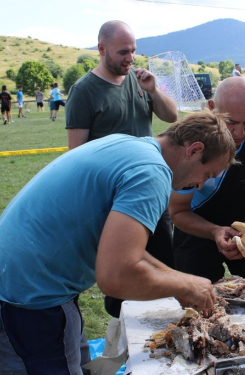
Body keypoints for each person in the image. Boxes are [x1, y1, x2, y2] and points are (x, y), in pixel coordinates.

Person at [0, 110, 236, 374]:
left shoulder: (133, 146)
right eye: (207, 173)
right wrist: (187, 283)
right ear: (194, 150)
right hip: (29, 296)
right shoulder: (152, 172)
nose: (200, 184)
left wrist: (178, 283)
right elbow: (116, 276)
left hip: (25, 281)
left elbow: (122, 248)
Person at [65, 20, 178, 319]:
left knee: (164, 266)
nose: (130, 58)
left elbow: (171, 116)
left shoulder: (139, 80)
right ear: (101, 49)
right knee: (124, 274)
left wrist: (153, 90)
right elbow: (76, 156)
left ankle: (163, 327)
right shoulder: (84, 91)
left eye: (133, 51)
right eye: (122, 52)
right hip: (115, 203)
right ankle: (122, 338)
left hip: (152, 193)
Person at [169, 76, 245, 283]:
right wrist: (214, 231)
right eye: (231, 121)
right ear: (211, 107)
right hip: (196, 226)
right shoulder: (190, 140)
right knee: (198, 304)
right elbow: (178, 211)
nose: (239, 132)